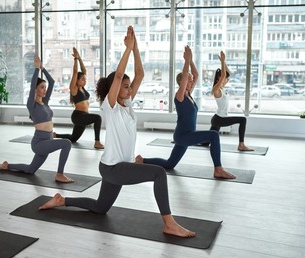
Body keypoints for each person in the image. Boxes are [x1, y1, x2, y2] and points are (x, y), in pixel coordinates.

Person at [39, 26, 195, 238]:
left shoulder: (127, 104)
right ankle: (169, 223)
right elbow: (120, 74)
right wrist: (127, 50)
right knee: (158, 173)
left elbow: (139, 74)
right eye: (125, 86)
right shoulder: (109, 107)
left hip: (114, 166)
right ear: (114, 88)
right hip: (114, 167)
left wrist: (136, 47)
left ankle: (62, 200)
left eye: (129, 86)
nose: (129, 89)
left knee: (101, 207)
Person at [136, 46, 235, 179]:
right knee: (214, 135)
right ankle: (218, 169)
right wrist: (186, 61)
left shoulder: (189, 94)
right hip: (183, 135)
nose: (191, 81)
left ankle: (142, 160)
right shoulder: (180, 96)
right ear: (182, 83)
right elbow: (185, 79)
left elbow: (196, 75)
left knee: (169, 164)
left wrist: (191, 60)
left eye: (190, 80)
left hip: (185, 135)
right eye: (188, 80)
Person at [0, 55, 74, 183]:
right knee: (66, 143)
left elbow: (52, 82)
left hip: (48, 140)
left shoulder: (45, 102)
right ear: (35, 89)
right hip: (39, 143)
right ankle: (59, 174)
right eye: (42, 87)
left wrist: (43, 68)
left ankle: (7, 165)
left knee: (31, 169)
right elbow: (32, 87)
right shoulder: (32, 105)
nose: (45, 90)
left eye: (45, 88)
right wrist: (37, 69)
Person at [53, 48, 104, 149]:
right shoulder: (74, 88)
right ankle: (97, 142)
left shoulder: (82, 88)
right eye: (82, 79)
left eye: (85, 79)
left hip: (84, 116)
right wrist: (75, 59)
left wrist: (80, 58)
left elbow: (84, 71)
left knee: (73, 138)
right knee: (98, 118)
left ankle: (55, 135)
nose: (85, 81)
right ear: (77, 80)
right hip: (78, 116)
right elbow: (76, 71)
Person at [205, 51, 253, 151]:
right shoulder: (216, 89)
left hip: (218, 118)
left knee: (206, 142)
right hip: (219, 119)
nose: (226, 79)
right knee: (242, 120)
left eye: (226, 78)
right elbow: (223, 75)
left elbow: (227, 74)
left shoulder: (222, 88)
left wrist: (224, 61)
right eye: (224, 78)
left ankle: (186, 141)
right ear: (218, 79)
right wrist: (222, 62)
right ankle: (241, 145)